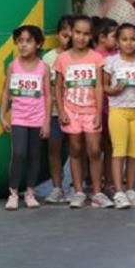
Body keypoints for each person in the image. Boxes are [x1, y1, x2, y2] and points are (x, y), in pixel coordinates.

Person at [54, 15, 108, 209]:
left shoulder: (96, 58)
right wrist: (61, 110)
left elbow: (100, 86)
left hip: (91, 110)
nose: (81, 37)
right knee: (75, 150)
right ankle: (78, 191)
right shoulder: (63, 58)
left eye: (86, 34)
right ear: (71, 33)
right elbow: (58, 87)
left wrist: (98, 112)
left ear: (91, 35)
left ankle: (97, 191)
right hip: (71, 110)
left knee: (94, 150)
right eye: (78, 32)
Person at [102, 23, 135, 209]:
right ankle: (118, 191)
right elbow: (104, 86)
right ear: (117, 41)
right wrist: (113, 90)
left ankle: (131, 189)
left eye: (133, 39)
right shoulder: (111, 62)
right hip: (118, 110)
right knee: (119, 150)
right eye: (124, 39)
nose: (129, 43)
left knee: (134, 152)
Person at [0, 25, 51, 210]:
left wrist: (46, 121)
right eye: (20, 41)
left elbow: (48, 95)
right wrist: (2, 115)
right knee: (19, 153)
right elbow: (6, 91)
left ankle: (30, 192)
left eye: (28, 41)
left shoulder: (43, 68)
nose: (23, 45)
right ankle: (13, 192)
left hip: (37, 118)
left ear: (38, 44)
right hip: (19, 117)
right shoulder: (13, 66)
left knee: (35, 155)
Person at [42, 15, 73, 205]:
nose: (68, 39)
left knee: (77, 150)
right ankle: (57, 187)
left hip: (77, 111)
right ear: (57, 35)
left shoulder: (82, 56)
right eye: (64, 35)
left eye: (72, 34)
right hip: (54, 111)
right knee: (54, 147)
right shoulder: (49, 57)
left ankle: (76, 186)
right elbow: (45, 85)